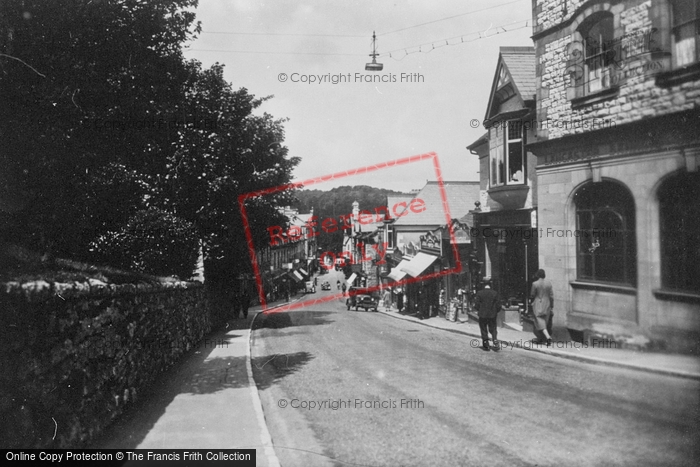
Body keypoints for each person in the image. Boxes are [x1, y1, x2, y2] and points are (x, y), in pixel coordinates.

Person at [474, 279, 501, 351]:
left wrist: (479, 310)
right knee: (493, 328)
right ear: (490, 285)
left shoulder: (480, 293)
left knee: (483, 329)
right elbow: (498, 305)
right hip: (492, 315)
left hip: (482, 315)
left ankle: (486, 344)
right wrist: (495, 311)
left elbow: (476, 304)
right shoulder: (495, 293)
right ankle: (495, 340)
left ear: (483, 285)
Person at [530, 269, 554, 346]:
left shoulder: (535, 284)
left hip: (538, 303)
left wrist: (531, 302)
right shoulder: (549, 283)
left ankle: (547, 337)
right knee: (544, 321)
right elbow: (551, 296)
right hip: (547, 303)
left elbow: (532, 295)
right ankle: (540, 339)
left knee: (539, 321)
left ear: (538, 275)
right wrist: (552, 305)